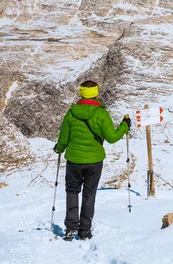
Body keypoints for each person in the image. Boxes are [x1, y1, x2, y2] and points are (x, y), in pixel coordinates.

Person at [54, 80, 131, 241]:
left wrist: (59, 149)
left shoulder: (71, 113)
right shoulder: (102, 114)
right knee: (89, 194)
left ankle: (71, 227)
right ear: (96, 93)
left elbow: (64, 138)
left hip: (74, 160)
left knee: (72, 191)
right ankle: (84, 230)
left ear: (81, 93)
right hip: (95, 160)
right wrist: (124, 126)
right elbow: (111, 137)